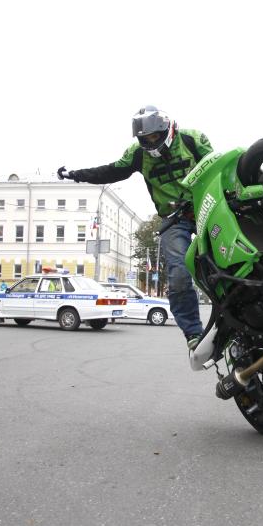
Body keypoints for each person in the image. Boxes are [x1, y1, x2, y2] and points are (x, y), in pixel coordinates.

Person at [57, 106, 213, 351]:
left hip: (207, 207)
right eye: (145, 139)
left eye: (154, 137)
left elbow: (218, 166)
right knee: (180, 272)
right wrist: (77, 174)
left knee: (236, 247)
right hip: (175, 218)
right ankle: (193, 333)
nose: (151, 142)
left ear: (165, 130)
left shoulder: (192, 139)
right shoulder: (138, 154)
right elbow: (111, 170)